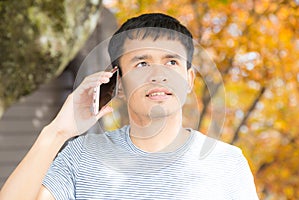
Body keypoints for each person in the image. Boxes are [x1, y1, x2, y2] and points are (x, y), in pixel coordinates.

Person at [0, 13, 259, 200]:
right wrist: (57, 131)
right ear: (118, 83)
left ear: (189, 80)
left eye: (171, 62)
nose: (159, 74)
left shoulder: (227, 163)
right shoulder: (82, 156)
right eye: (142, 64)